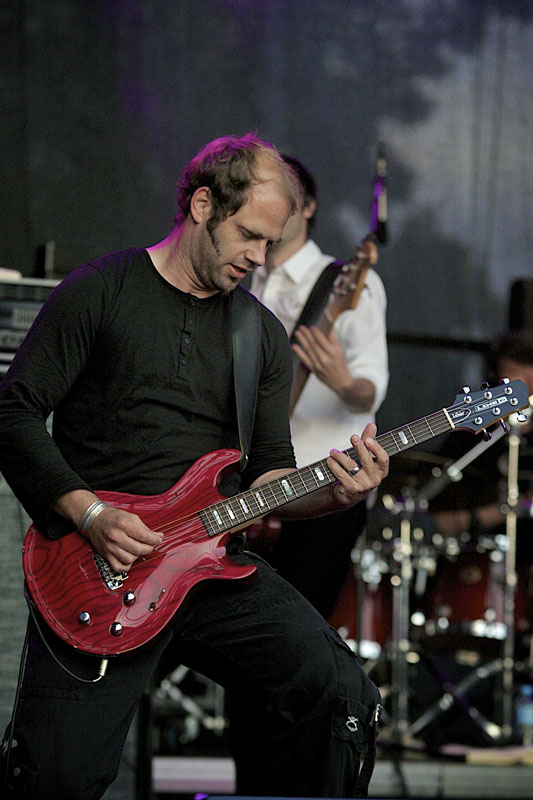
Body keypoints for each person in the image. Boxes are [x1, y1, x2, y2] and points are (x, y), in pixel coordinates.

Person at [0, 133, 389, 800]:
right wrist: (88, 512)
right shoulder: (101, 290)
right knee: (55, 779)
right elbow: (12, 411)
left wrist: (332, 496)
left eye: (271, 242)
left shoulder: (259, 335)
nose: (258, 258)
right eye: (248, 235)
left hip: (211, 567)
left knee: (340, 697)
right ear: (202, 204)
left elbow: (269, 475)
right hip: (100, 571)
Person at [248, 155, 389, 619]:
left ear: (307, 207)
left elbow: (370, 390)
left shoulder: (348, 283)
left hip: (324, 483)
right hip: (251, 482)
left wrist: (343, 381)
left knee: (295, 635)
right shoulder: (246, 277)